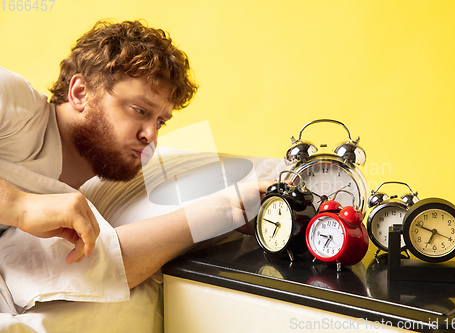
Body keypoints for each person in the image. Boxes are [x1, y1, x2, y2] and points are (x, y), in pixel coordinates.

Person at [0, 19, 271, 316]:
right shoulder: (17, 103)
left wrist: (227, 209)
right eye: (139, 110)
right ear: (80, 93)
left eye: (160, 121)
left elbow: (108, 265)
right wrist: (19, 204)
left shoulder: (77, 200)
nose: (150, 135)